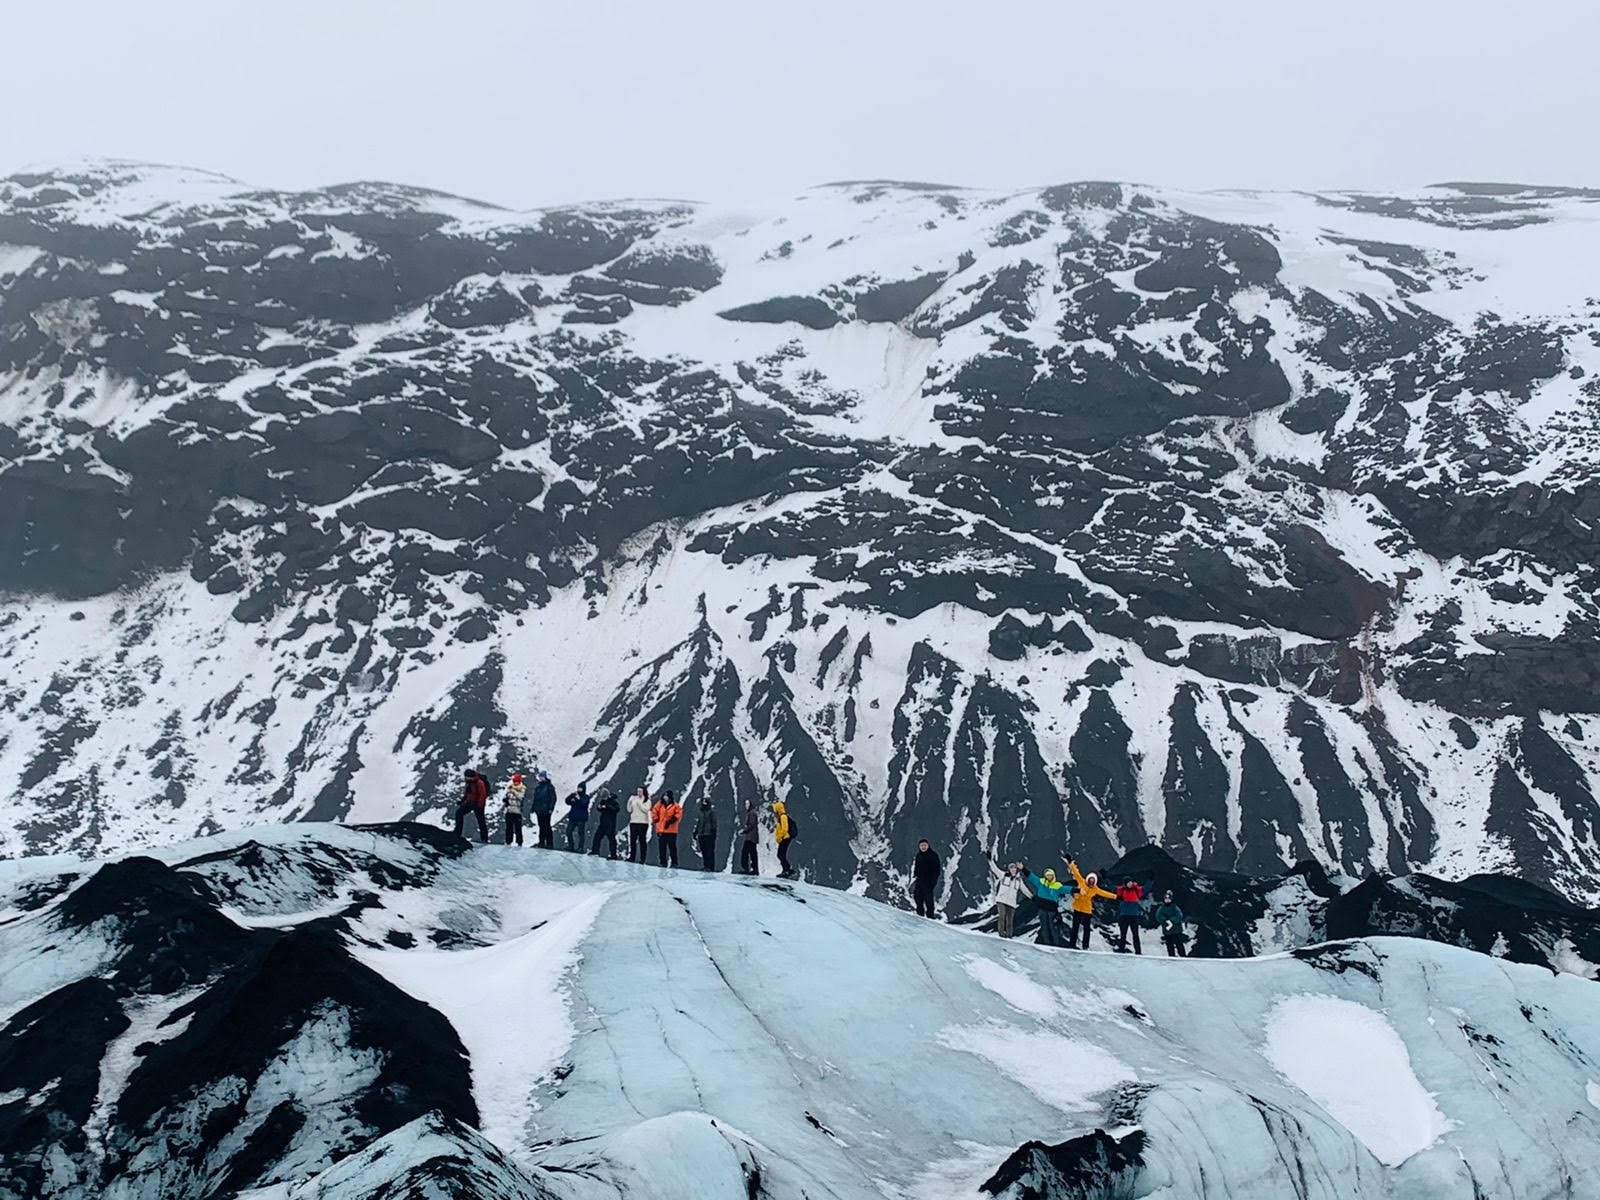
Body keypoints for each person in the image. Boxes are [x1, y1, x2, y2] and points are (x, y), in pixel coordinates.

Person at [1066, 860, 1115, 949]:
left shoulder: (1095, 889)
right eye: (1090, 880)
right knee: (1075, 927)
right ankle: (1072, 944)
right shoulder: (1081, 881)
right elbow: (1076, 873)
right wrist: (1070, 863)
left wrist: (1116, 897)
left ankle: (1085, 946)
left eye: (1093, 881)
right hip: (1077, 907)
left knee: (1086, 929)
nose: (1091, 882)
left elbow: (1105, 893)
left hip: (1087, 910)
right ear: (1088, 879)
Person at [1016, 862, 1067, 946]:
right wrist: (1023, 869)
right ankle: (1048, 944)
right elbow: (1031, 877)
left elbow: (1067, 889)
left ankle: (1055, 944)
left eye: (1050, 875)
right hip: (1043, 910)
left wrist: (1079, 890)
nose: (1049, 877)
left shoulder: (1057, 886)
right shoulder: (1041, 883)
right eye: (1048, 875)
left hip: (1051, 911)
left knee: (1052, 927)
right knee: (1045, 927)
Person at [453, 769, 489, 844]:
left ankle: (484, 839)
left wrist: (479, 805)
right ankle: (457, 833)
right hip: (470, 802)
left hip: (478, 804)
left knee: (481, 821)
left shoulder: (479, 783)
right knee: (459, 813)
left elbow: (482, 795)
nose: (466, 778)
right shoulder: (470, 782)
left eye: (467, 777)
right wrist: (462, 801)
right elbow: (467, 793)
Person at [993, 863, 1025, 938]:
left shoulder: (1018, 880)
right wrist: (990, 860)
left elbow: (1024, 890)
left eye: (1015, 868)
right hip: (1001, 900)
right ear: (1009, 869)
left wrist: (1032, 897)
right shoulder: (1003, 875)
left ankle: (1009, 936)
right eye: (1011, 868)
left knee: (1010, 921)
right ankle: (1001, 934)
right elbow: (995, 869)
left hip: (1012, 903)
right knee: (1002, 916)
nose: (1013, 869)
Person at [651, 790, 683, 867]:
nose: (665, 797)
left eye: (666, 796)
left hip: (672, 830)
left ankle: (674, 863)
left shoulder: (675, 805)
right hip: (661, 829)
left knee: (672, 847)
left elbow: (679, 813)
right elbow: (654, 810)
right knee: (662, 847)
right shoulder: (660, 804)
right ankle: (663, 862)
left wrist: (672, 820)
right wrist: (656, 819)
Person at [912, 839, 941, 918]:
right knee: (917, 898)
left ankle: (930, 918)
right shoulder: (918, 855)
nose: (923, 847)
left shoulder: (933, 855)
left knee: (929, 901)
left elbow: (937, 870)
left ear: (928, 846)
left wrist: (933, 882)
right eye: (921, 846)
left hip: (929, 882)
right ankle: (920, 916)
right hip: (919, 881)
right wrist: (915, 874)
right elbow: (916, 866)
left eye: (924, 845)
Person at [1115, 878, 1145, 955]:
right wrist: (1105, 879)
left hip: (1133, 916)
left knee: (1135, 934)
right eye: (1128, 882)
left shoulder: (1136, 890)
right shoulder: (1121, 890)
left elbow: (1146, 888)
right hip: (1124, 916)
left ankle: (1138, 951)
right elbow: (1111, 887)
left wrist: (1151, 880)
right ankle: (1121, 949)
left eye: (1131, 882)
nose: (1130, 884)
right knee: (1123, 934)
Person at [530, 770, 558, 849]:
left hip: (546, 810)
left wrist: (550, 808)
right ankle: (541, 842)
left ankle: (549, 843)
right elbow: (536, 798)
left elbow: (553, 798)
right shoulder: (538, 787)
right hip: (539, 810)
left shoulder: (550, 787)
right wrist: (533, 807)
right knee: (541, 826)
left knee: (547, 826)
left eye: (541, 776)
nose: (540, 778)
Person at [1154, 891, 1186, 957]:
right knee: (1169, 945)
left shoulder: (1175, 907)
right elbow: (1158, 916)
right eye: (1166, 899)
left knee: (1179, 944)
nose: (1167, 901)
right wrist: (1165, 920)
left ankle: (1183, 956)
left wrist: (1172, 920)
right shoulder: (1161, 908)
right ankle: (1171, 956)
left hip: (1176, 930)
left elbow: (1179, 915)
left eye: (1169, 899)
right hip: (1167, 931)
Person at [591, 790, 621, 859]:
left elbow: (616, 809)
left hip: (610, 824)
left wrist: (607, 806)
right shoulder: (603, 801)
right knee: (597, 837)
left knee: (611, 840)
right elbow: (600, 809)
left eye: (604, 797)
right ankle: (595, 851)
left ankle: (613, 855)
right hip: (603, 823)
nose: (603, 799)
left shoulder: (614, 802)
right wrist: (599, 807)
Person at [563, 783, 590, 851]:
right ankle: (571, 846)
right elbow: (567, 801)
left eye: (580, 788)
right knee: (568, 831)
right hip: (573, 816)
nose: (579, 790)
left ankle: (580, 847)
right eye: (578, 788)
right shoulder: (574, 795)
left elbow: (584, 804)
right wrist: (571, 796)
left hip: (581, 817)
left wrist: (579, 799)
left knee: (581, 833)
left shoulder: (586, 797)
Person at [627, 787, 651, 863]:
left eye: (640, 791)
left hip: (643, 823)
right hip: (633, 822)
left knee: (642, 840)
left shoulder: (647, 800)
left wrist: (639, 803)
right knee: (633, 840)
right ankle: (632, 857)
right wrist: (629, 802)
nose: (638, 793)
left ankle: (642, 858)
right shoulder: (634, 799)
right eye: (637, 791)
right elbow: (629, 810)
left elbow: (646, 810)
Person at [503, 773, 527, 846]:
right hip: (509, 810)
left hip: (517, 811)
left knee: (518, 828)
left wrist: (514, 792)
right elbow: (506, 797)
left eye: (516, 781)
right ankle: (508, 841)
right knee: (508, 828)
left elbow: (521, 797)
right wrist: (505, 799)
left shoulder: (522, 789)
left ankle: (519, 842)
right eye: (514, 781)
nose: (515, 783)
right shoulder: (509, 788)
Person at [773, 799, 795, 879]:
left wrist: (780, 837)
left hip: (785, 838)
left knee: (780, 854)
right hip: (784, 838)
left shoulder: (783, 816)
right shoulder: (782, 816)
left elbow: (785, 828)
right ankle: (787, 869)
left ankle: (787, 869)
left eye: (775, 809)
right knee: (781, 854)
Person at [694, 797, 718, 871]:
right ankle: (705, 865)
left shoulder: (711, 812)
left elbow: (714, 823)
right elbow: (699, 823)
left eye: (705, 802)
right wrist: (696, 831)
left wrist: (713, 832)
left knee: (709, 851)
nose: (704, 803)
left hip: (708, 834)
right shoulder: (701, 812)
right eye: (703, 802)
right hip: (701, 834)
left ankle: (710, 867)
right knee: (704, 851)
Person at [738, 799, 760, 875]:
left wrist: (744, 831)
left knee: (745, 852)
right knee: (752, 853)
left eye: (747, 804)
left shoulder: (751, 813)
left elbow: (751, 825)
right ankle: (754, 869)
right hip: (752, 837)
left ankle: (746, 868)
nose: (746, 806)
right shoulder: (752, 813)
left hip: (750, 837)